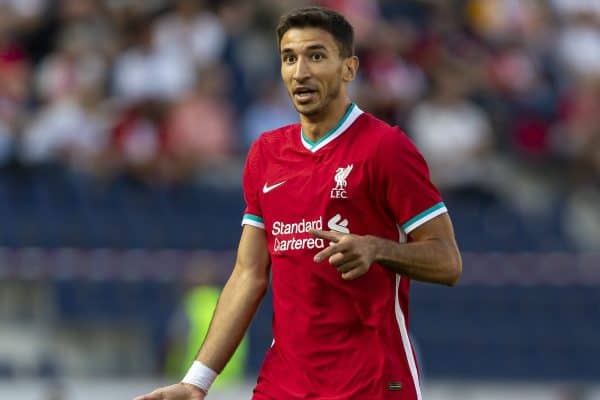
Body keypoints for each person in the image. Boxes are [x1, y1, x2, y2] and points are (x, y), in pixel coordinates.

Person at [134, 6, 462, 400]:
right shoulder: (266, 154)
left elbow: (448, 261)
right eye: (289, 58)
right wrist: (196, 382)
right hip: (285, 384)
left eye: (316, 56)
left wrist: (377, 248)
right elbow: (248, 274)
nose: (300, 71)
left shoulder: (386, 148)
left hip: (372, 381)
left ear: (349, 68)